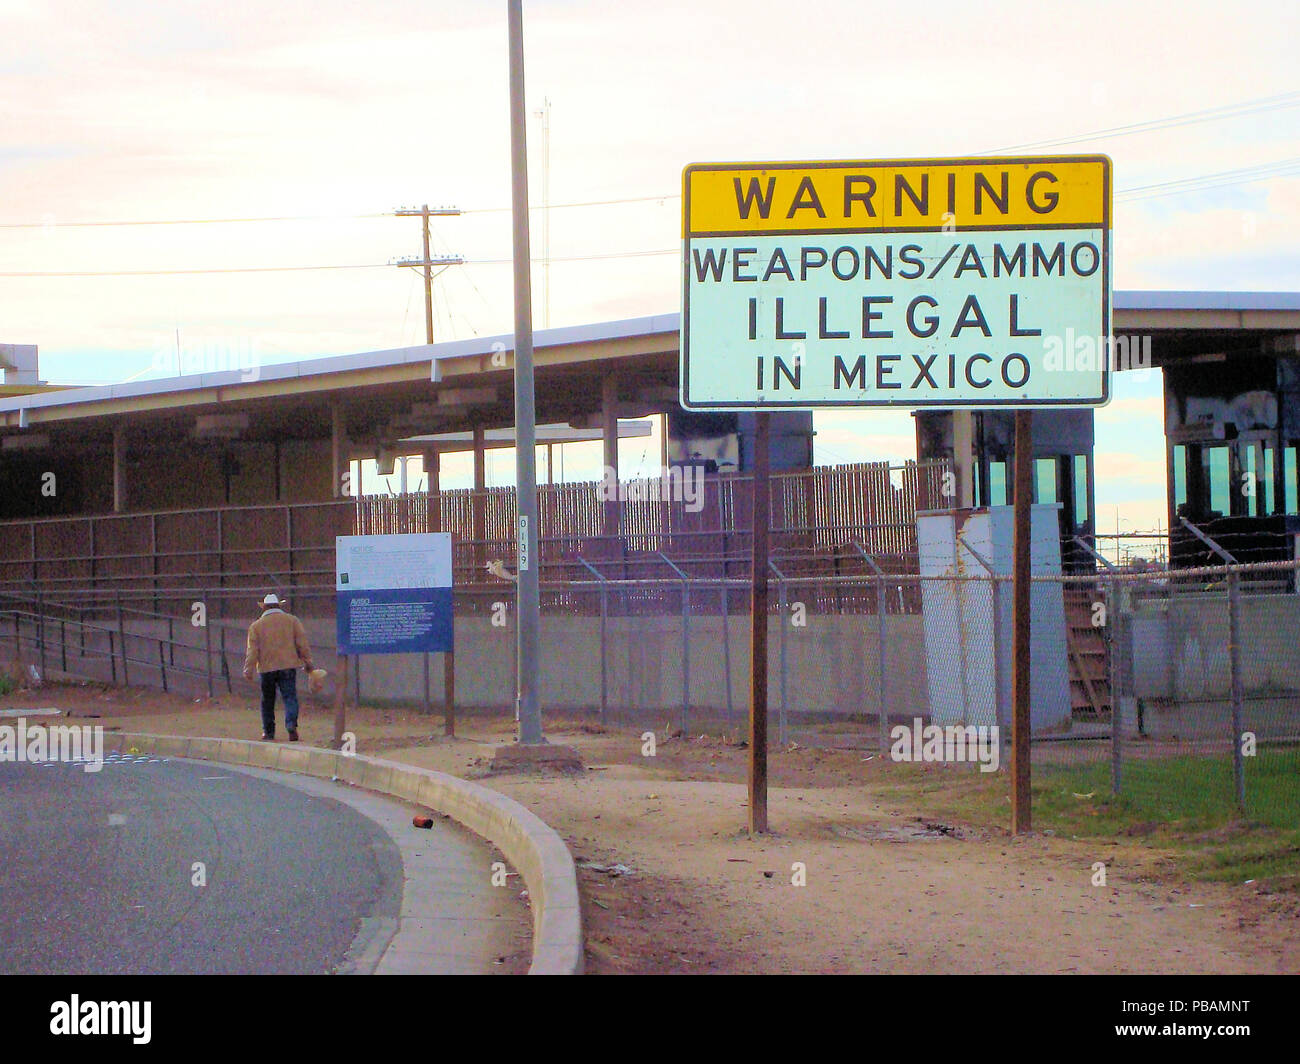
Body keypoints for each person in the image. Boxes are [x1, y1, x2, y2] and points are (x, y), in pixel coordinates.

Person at [243, 593, 315, 741]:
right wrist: (307, 661)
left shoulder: (256, 626)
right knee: (290, 697)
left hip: (266, 668)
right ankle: (291, 725)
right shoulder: (292, 621)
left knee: (267, 700)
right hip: (288, 665)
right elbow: (302, 643)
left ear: (264, 608)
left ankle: (268, 732)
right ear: (278, 606)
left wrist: (248, 668)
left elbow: (253, 651)